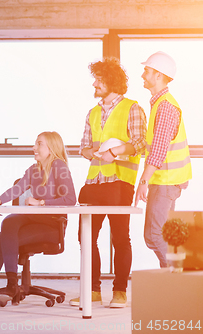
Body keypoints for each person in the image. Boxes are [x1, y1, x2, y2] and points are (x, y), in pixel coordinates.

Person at [70, 57, 147, 309]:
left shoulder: (132, 108)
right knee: (86, 236)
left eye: (99, 80)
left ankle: (120, 291)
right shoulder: (92, 112)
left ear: (111, 81)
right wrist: (90, 152)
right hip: (94, 181)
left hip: (119, 181)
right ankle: (92, 290)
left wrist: (114, 151)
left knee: (120, 238)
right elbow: (83, 146)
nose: (94, 83)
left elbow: (139, 144)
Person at [0, 131, 76, 307]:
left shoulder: (59, 166)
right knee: (8, 222)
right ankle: (9, 285)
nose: (33, 147)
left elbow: (71, 200)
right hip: (33, 220)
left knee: (0, 238)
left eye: (39, 144)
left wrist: (41, 202)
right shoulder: (34, 169)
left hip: (51, 224)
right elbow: (17, 189)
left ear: (51, 148)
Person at [135, 51, 192, 267]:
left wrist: (143, 182)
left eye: (147, 70)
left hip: (166, 181)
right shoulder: (160, 103)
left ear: (158, 75)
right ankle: (173, 282)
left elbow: (158, 151)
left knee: (153, 235)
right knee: (164, 235)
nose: (143, 74)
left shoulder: (166, 106)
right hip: (166, 180)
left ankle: (178, 278)